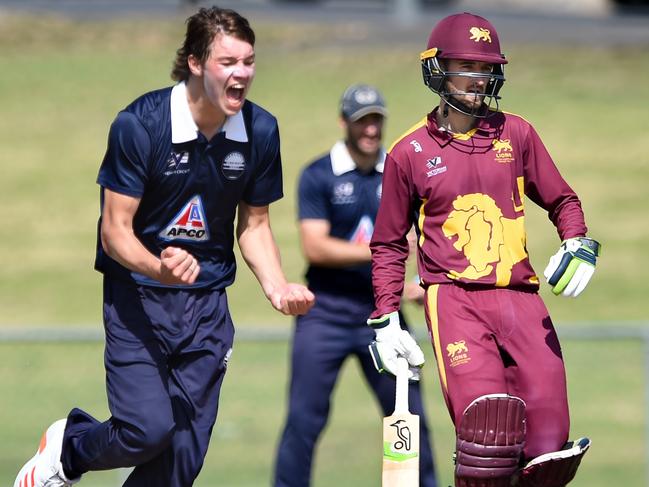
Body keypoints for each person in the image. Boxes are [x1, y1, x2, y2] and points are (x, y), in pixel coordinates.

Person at [14, 7, 314, 487]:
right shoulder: (140, 125)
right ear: (195, 62)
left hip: (208, 305)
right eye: (228, 62)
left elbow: (254, 224)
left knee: (181, 460)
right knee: (145, 431)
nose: (243, 74)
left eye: (250, 62)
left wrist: (277, 288)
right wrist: (160, 268)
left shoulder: (261, 131)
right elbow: (114, 231)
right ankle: (70, 447)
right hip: (137, 296)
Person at [366, 12, 600, 487]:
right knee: (487, 440)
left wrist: (577, 242)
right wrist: (387, 317)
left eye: (486, 68)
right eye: (465, 67)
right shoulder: (408, 153)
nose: (478, 79)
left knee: (550, 448)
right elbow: (389, 242)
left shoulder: (517, 134)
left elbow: (563, 200)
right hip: (455, 301)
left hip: (521, 299)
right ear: (438, 70)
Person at [273, 84, 437, 487]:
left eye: (376, 119)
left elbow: (426, 237)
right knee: (303, 421)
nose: (370, 129)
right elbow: (315, 246)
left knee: (408, 418)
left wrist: (416, 283)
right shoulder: (319, 174)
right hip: (325, 313)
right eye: (362, 120)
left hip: (384, 315)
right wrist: (384, 249)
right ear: (344, 122)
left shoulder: (400, 171)